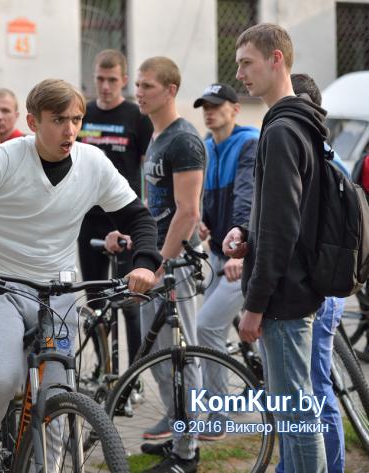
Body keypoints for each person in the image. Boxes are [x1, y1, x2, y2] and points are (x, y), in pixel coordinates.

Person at [0, 78, 161, 473]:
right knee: (3, 378)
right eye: (59, 120)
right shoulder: (7, 157)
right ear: (33, 121)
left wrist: (144, 263)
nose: (70, 130)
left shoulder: (93, 162)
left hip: (60, 289)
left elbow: (137, 216)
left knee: (57, 389)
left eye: (77, 119)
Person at [224, 23, 328, 472]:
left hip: (283, 299)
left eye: (247, 63)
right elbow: (289, 214)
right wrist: (248, 234)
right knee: (295, 410)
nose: (240, 75)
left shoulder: (283, 129)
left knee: (296, 414)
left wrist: (255, 304)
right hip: (294, 289)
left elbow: (285, 227)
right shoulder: (298, 122)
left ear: (276, 59)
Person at [106, 56, 205, 473]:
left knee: (182, 358)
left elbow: (187, 212)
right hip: (155, 258)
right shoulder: (158, 135)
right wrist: (133, 238)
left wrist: (160, 262)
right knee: (158, 356)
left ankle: (188, 452)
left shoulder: (184, 140)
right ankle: (178, 435)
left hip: (175, 264)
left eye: (147, 86)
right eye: (139, 86)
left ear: (171, 90)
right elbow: (156, 207)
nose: (138, 93)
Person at [276, 72, 345, 473]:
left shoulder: (313, 151)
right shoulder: (317, 148)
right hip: (316, 290)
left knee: (314, 393)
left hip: (315, 293)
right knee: (300, 393)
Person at [77, 49, 153, 365]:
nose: (105, 87)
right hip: (88, 220)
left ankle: (132, 374)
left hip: (123, 219)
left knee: (128, 301)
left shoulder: (137, 117)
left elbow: (148, 166)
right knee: (95, 302)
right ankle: (105, 366)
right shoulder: (84, 113)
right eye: (99, 79)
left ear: (123, 80)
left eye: (111, 80)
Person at [192, 82, 258, 440]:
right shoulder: (206, 146)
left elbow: (246, 198)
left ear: (235, 109)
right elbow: (206, 193)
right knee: (242, 329)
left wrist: (240, 246)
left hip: (241, 257)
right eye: (204, 105)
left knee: (206, 327)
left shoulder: (249, 143)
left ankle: (217, 417)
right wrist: (202, 216)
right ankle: (259, 380)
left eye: (217, 105)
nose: (209, 111)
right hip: (217, 253)